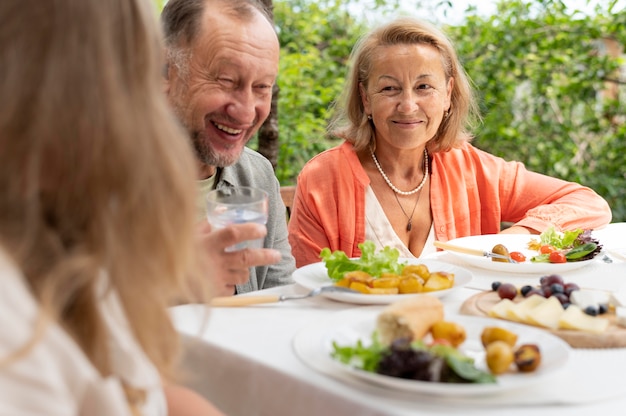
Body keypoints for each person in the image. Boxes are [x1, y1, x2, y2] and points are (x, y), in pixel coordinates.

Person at [0, 0, 223, 414]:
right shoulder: (13, 338)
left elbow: (148, 393)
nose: (158, 123)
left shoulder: (63, 246)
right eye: (140, 84)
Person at [288, 17, 612, 267]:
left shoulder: (472, 169)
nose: (408, 105)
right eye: (389, 89)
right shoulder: (323, 179)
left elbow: (588, 203)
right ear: (365, 98)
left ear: (448, 95)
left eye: (424, 87)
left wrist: (515, 238)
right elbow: (309, 291)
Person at [162, 0, 295, 296]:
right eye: (226, 80)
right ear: (164, 72)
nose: (247, 113)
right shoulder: (93, 176)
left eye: (262, 87)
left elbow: (283, 305)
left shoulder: (258, 176)